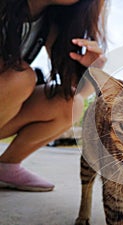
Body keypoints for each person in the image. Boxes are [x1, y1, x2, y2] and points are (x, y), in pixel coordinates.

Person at [0, 0, 108, 192]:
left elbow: (77, 96)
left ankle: (6, 166)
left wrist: (91, 73)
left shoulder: (50, 24)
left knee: (70, 103)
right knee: (20, 77)